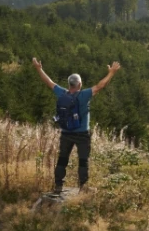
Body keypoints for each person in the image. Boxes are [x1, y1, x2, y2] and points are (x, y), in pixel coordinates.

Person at [32, 56, 121, 194]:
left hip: (66, 133)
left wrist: (39, 69)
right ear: (79, 84)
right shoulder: (84, 95)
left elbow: (49, 82)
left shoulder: (62, 93)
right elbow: (100, 86)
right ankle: (83, 187)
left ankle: (58, 185)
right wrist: (111, 73)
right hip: (82, 134)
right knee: (83, 160)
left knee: (62, 159)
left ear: (69, 84)